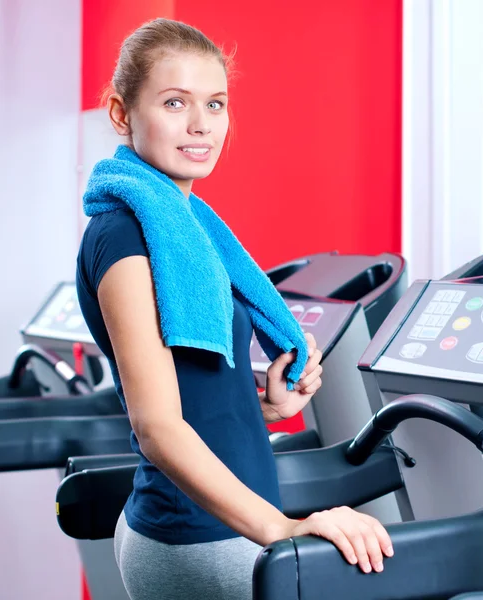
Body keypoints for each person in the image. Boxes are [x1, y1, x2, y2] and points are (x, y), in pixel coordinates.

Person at [76, 18, 393, 600]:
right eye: (175, 102)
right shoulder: (125, 237)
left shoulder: (184, 228)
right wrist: (285, 529)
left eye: (215, 104)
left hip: (216, 527)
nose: (201, 125)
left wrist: (264, 410)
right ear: (122, 115)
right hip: (195, 539)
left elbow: (188, 397)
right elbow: (157, 427)